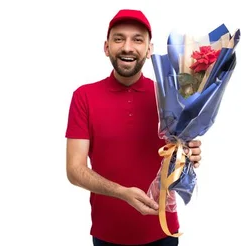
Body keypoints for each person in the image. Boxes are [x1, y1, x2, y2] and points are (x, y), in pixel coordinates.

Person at [64, 9, 202, 246]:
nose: (128, 47)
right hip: (107, 235)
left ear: (149, 50)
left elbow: (179, 154)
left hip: (163, 232)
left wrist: (188, 155)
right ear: (107, 47)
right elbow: (74, 169)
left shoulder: (169, 95)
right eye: (119, 39)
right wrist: (121, 192)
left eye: (137, 39)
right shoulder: (84, 96)